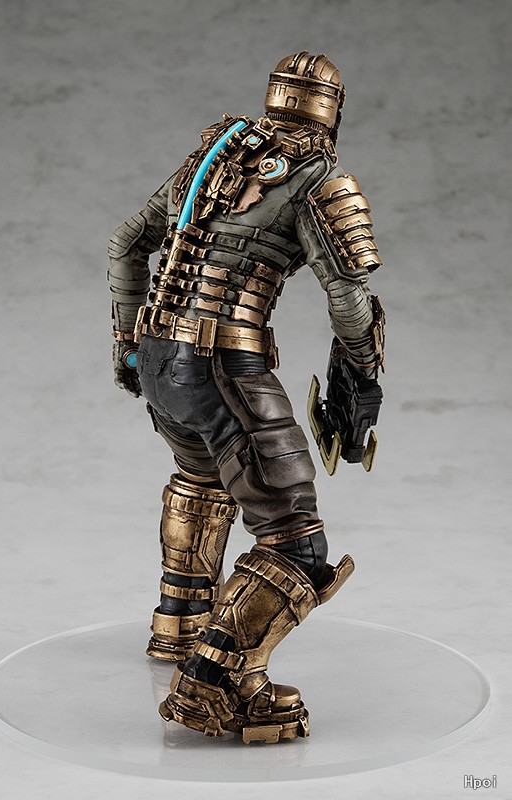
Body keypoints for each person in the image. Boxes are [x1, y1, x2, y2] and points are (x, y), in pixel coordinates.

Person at [107, 52, 385, 743]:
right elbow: (348, 296)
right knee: (299, 544)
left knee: (201, 479)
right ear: (332, 112)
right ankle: (213, 683)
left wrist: (128, 347)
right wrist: (363, 371)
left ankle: (180, 625)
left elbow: (126, 243)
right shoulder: (319, 177)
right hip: (223, 363)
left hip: (160, 359)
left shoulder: (214, 155)